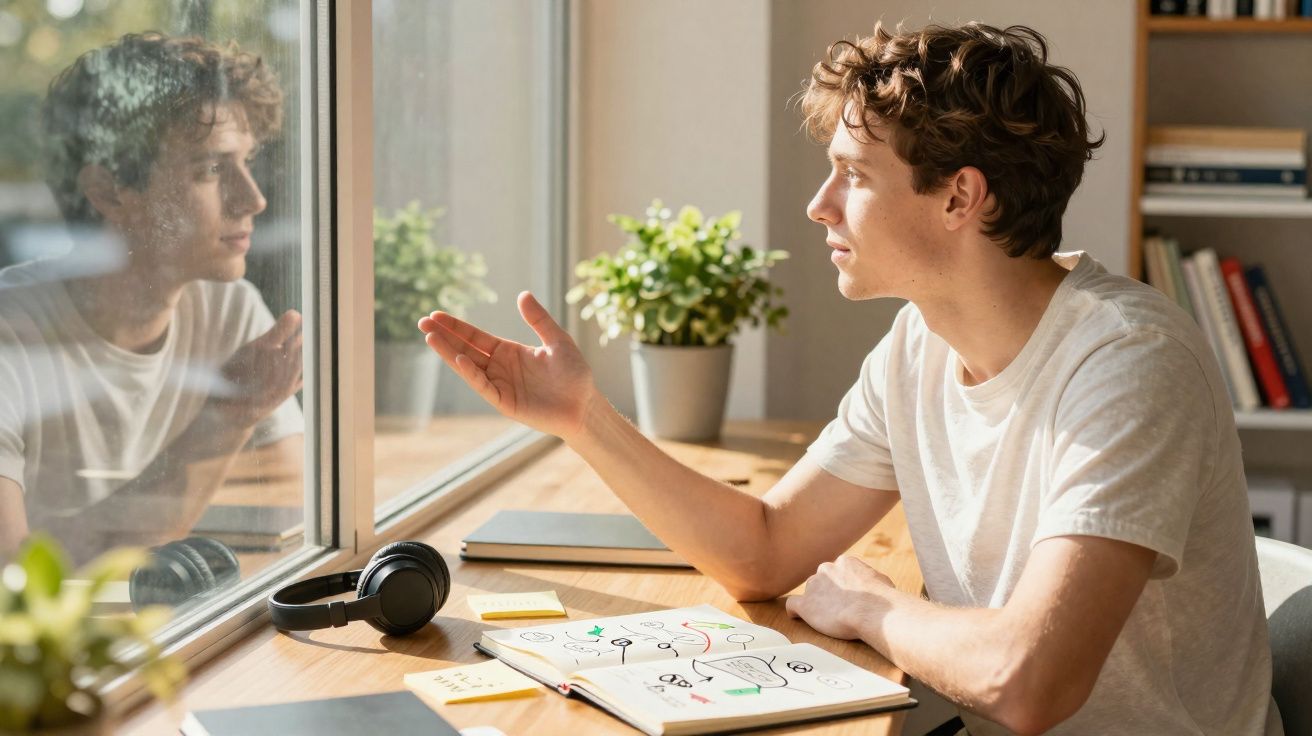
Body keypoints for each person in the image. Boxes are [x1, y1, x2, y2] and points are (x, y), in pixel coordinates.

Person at [418, 21, 1277, 736]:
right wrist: (583, 417)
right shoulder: (917, 345)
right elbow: (765, 550)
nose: (819, 204)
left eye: (855, 176)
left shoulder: (1128, 364)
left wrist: (873, 607)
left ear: (961, 197)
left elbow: (1027, 681)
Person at [0, 32, 303, 565]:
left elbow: (289, 509)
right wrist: (228, 415)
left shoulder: (228, 308)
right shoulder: (11, 336)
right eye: (211, 169)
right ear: (108, 192)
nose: (253, 198)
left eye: (247, 161)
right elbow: (15, 576)